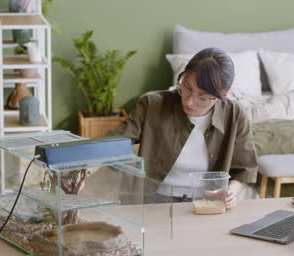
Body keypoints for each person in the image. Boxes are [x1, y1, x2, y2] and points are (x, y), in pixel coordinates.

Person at [109, 47, 257, 209]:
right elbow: (114, 143)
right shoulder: (152, 105)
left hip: (208, 202)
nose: (189, 102)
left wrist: (230, 191)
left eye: (203, 97)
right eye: (186, 87)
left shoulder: (235, 114)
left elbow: (245, 169)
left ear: (223, 95)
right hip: (155, 200)